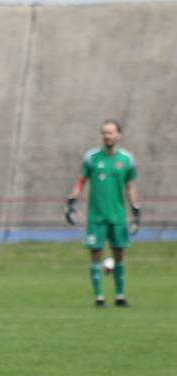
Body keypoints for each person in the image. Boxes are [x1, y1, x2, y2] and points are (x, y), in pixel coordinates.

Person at [65, 120, 140, 307]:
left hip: (117, 216)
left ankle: (120, 296)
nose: (107, 136)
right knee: (96, 255)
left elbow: (130, 186)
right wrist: (72, 199)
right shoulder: (92, 158)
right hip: (96, 217)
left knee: (119, 254)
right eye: (104, 133)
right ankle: (99, 297)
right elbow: (81, 180)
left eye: (110, 133)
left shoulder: (126, 160)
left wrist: (136, 209)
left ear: (118, 135)